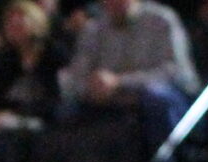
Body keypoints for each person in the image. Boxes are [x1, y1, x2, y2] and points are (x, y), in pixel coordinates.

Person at [59, 0, 199, 139]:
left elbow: (175, 72)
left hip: (166, 99)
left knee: (156, 96)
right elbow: (77, 76)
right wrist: (93, 87)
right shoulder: (94, 29)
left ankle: (169, 157)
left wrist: (120, 82)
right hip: (113, 101)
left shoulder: (161, 20)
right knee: (66, 110)